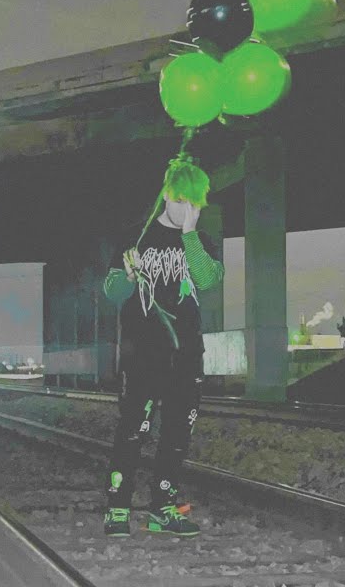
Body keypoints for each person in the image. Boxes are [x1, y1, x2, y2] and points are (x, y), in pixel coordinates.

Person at [100, 158, 224, 538]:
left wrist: (189, 234)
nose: (189, 210)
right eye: (182, 201)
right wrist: (127, 276)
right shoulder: (135, 238)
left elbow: (207, 280)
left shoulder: (201, 242)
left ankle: (162, 510)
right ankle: (118, 508)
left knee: (176, 436)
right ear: (167, 195)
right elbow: (112, 292)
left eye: (195, 204)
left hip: (186, 355)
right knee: (132, 431)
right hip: (142, 353)